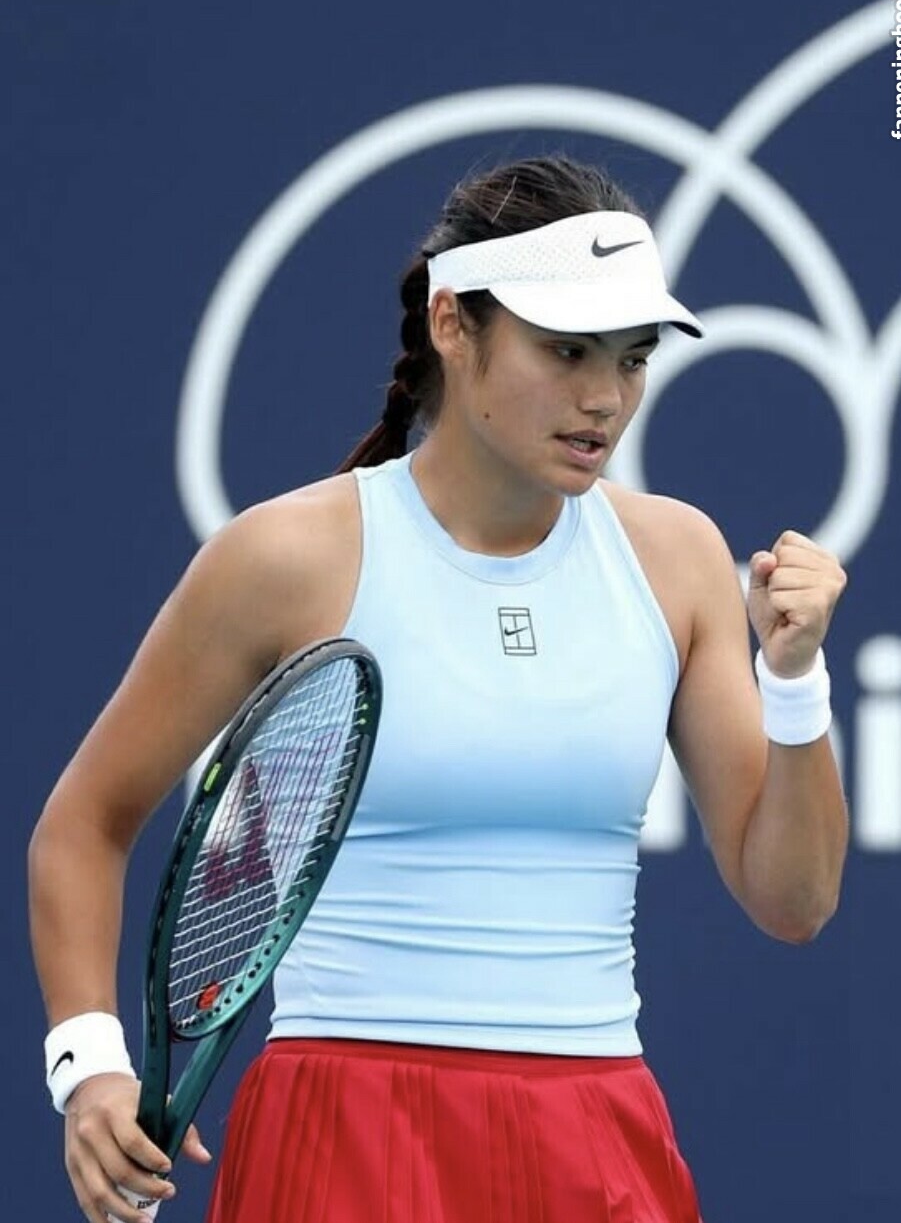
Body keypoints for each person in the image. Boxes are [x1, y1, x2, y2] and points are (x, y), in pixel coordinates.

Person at [29, 154, 849, 1223]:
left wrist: (794, 679)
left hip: (594, 1128)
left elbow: (794, 901)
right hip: (343, 1128)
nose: (605, 398)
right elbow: (84, 824)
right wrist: (89, 1063)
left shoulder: (678, 556)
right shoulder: (287, 557)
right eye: (566, 350)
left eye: (633, 358)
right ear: (454, 324)